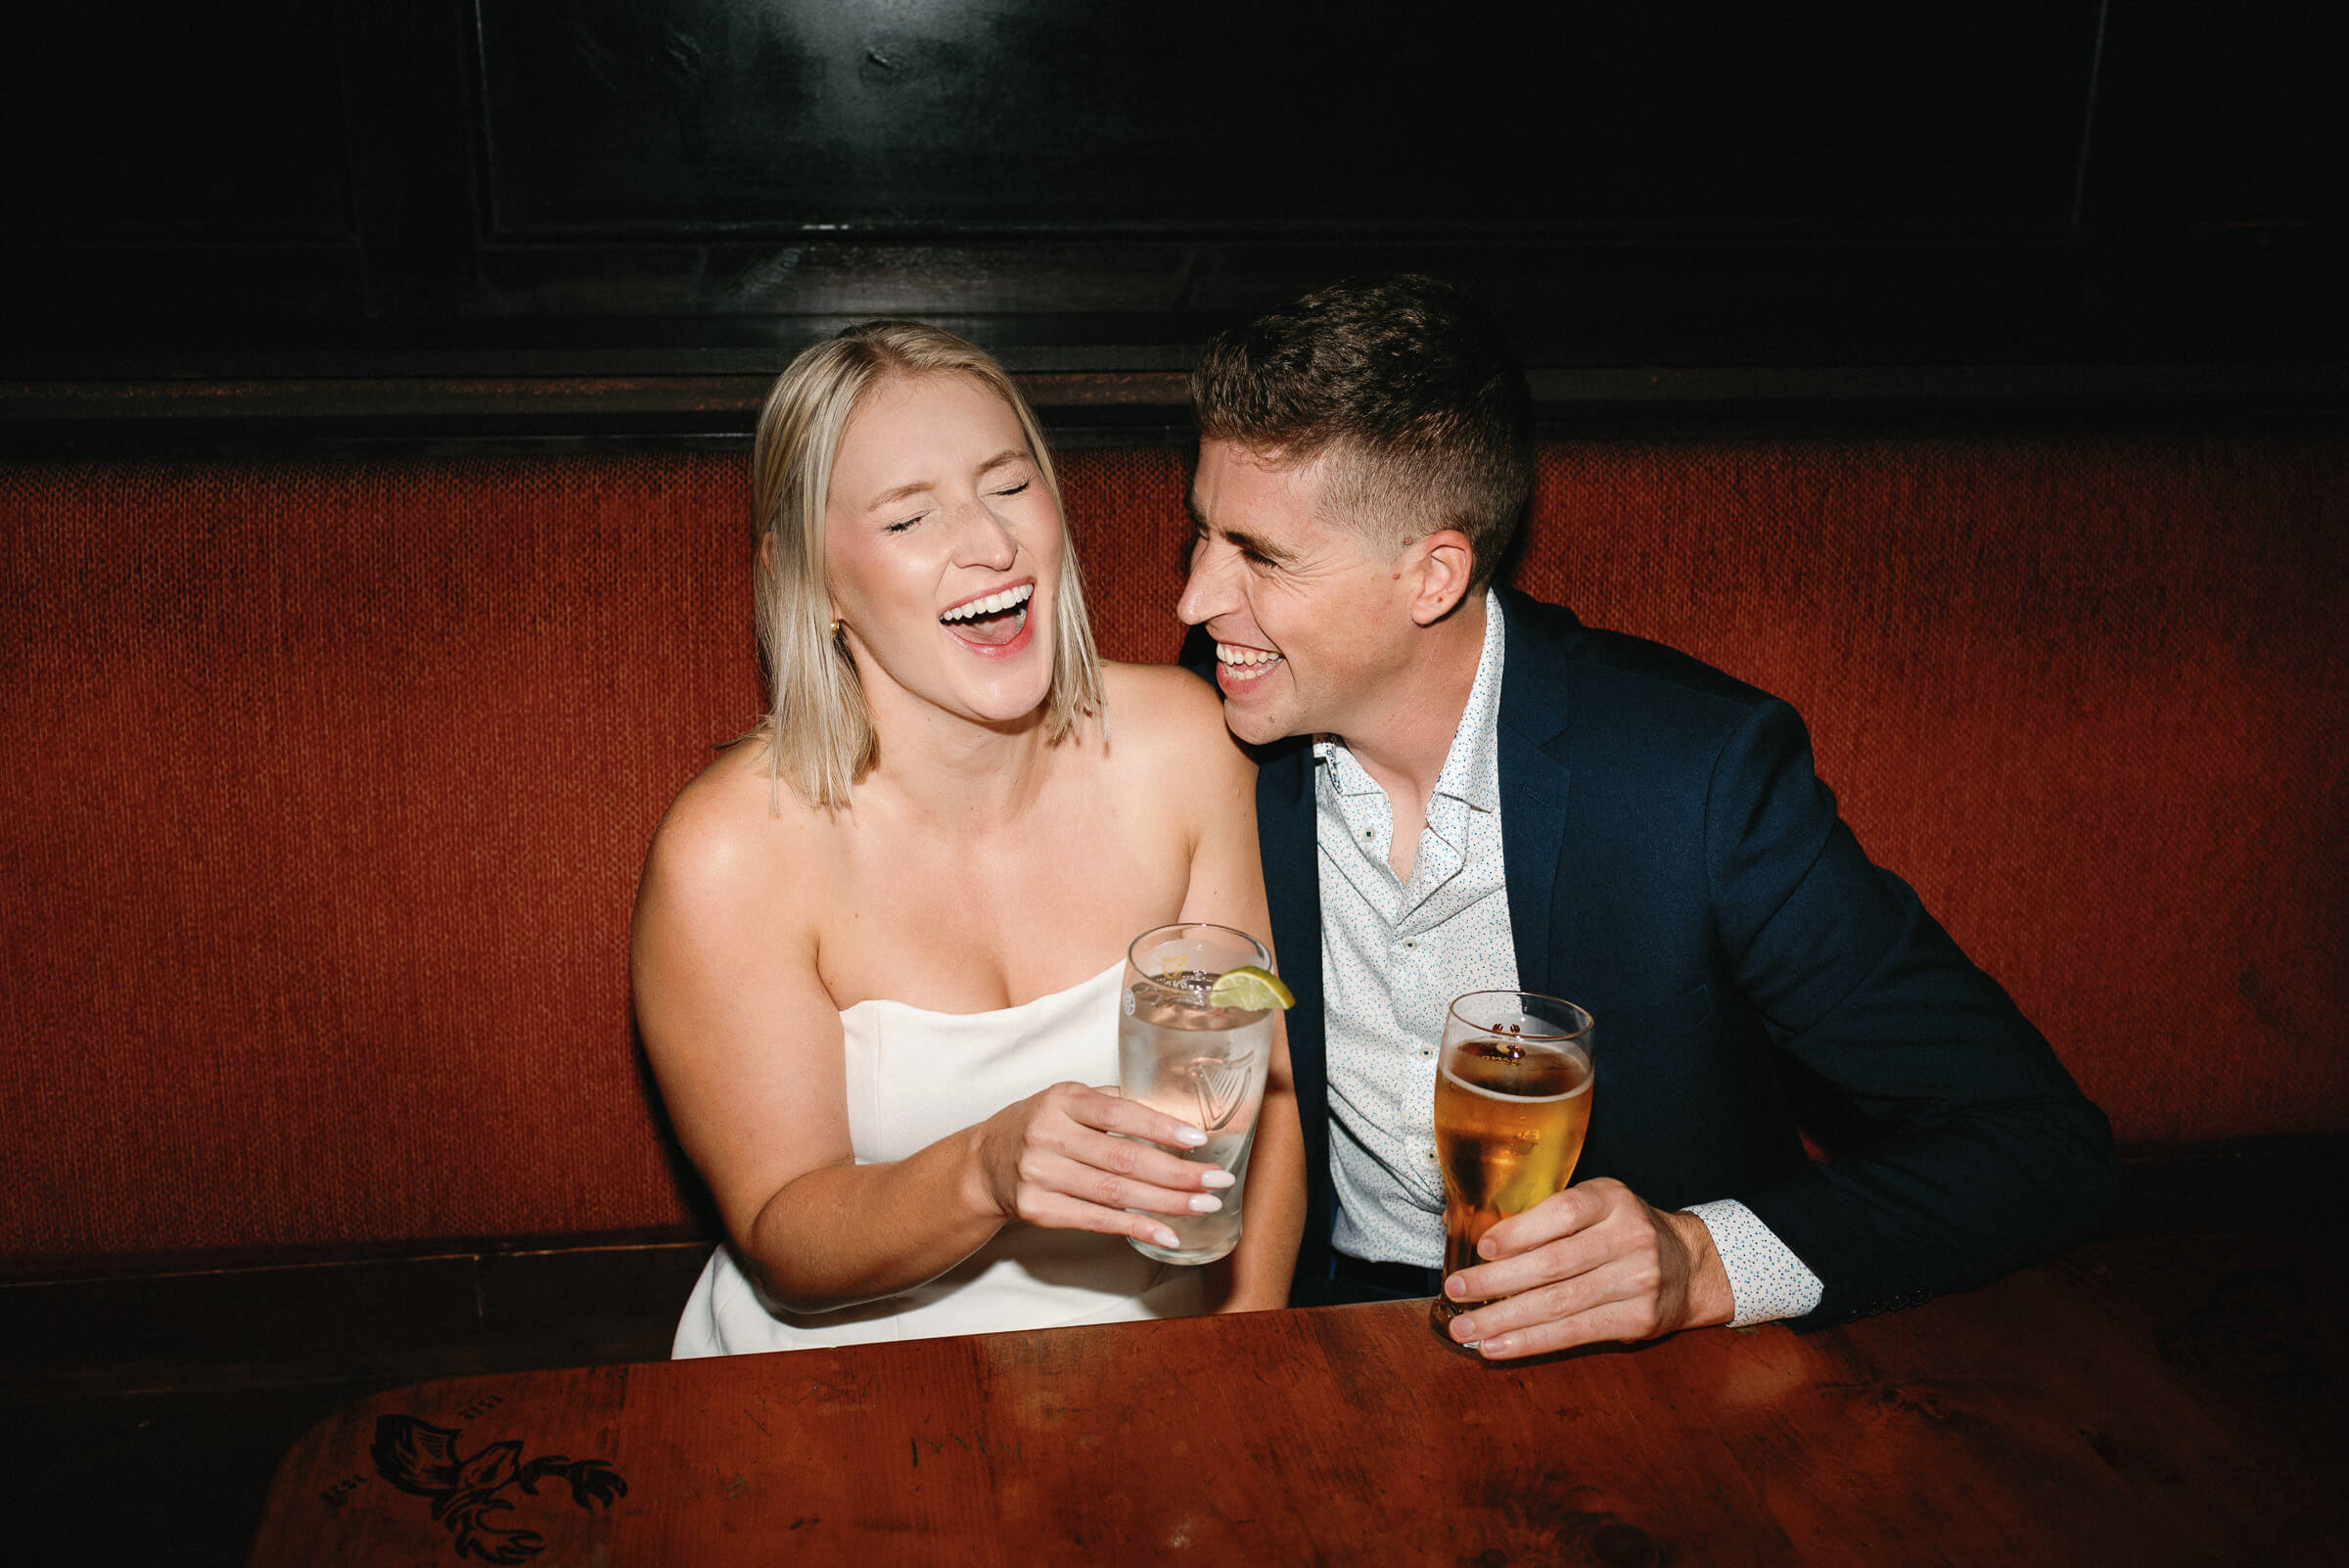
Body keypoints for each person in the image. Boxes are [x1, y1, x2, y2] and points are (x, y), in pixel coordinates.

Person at [1175, 275, 2119, 1359]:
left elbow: (2041, 1143)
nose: (1198, 598)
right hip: (1323, 1341)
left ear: (1432, 575)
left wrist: (1698, 1266)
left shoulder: (1698, 778)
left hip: (1652, 1368)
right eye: (1202, 533)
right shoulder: (1206, 748)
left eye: (1260, 555)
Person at [635, 320, 1302, 1357]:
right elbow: (783, 1237)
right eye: (909, 518)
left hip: (1163, 1369)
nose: (990, 544)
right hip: (840, 1383)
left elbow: (1273, 1091)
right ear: (810, 579)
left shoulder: (1184, 747)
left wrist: (1243, 1359)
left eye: (1008, 483)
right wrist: (984, 1170)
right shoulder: (730, 854)